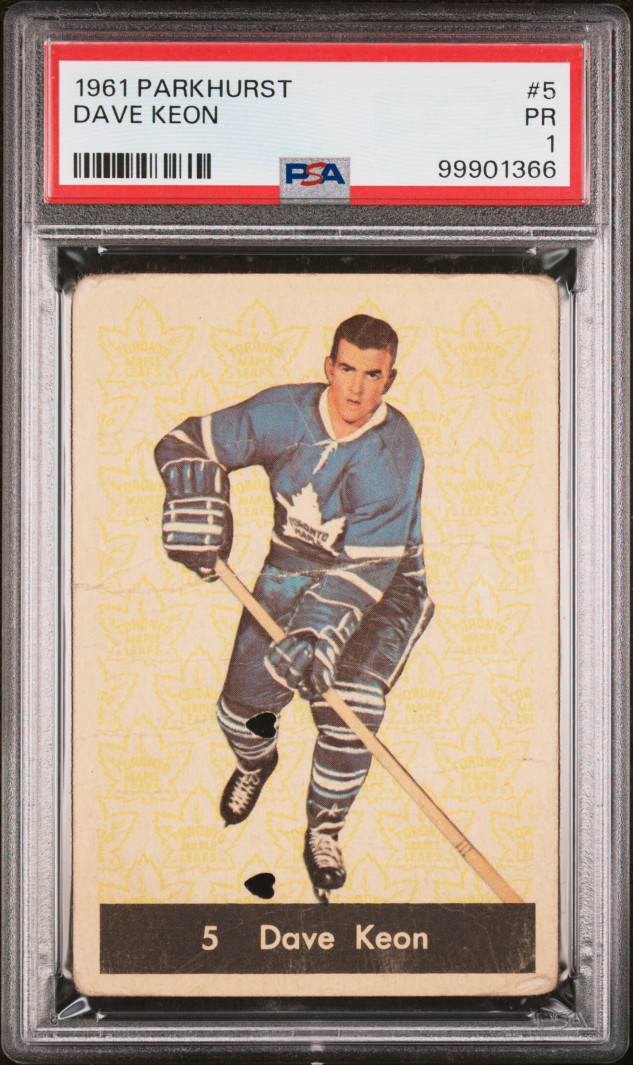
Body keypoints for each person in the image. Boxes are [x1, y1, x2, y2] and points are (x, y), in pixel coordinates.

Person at [154, 314, 434, 901]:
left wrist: (315, 636)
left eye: (373, 375)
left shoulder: (396, 453)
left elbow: (364, 574)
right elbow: (187, 441)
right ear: (329, 367)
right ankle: (256, 764)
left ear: (390, 380)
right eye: (347, 369)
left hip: (382, 585)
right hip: (291, 567)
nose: (356, 388)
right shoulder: (282, 412)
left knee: (348, 706)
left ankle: (324, 829)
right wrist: (193, 488)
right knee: (240, 710)